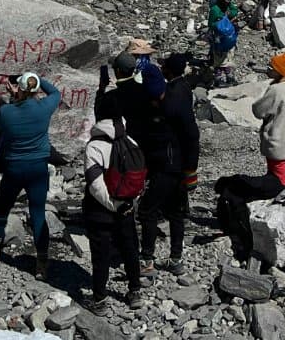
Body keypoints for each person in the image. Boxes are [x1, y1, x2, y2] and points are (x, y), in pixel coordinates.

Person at [0, 71, 61, 277]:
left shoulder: (5, 111)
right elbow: (55, 92)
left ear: (19, 88)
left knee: (2, 209)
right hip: (38, 167)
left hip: (14, 168)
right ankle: (41, 262)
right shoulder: (44, 108)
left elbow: (7, 122)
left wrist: (15, 96)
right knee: (37, 213)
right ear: (35, 90)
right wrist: (36, 78)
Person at [138, 63, 195, 275]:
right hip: (177, 167)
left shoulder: (164, 107)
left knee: (147, 210)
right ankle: (175, 259)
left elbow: (192, 137)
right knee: (176, 212)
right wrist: (190, 170)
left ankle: (147, 260)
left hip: (167, 168)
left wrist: (191, 171)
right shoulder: (175, 98)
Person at [82, 111, 144, 309]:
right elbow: (138, 179)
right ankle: (135, 291)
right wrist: (128, 203)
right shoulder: (131, 142)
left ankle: (99, 299)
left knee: (100, 255)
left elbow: (95, 184)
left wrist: (112, 205)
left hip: (100, 212)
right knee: (130, 249)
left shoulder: (94, 146)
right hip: (126, 208)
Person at [252, 52, 285, 186]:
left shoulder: (276, 90)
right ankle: (275, 189)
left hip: (276, 137)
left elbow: (259, 110)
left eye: (271, 68)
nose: (268, 70)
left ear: (279, 71)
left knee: (277, 171)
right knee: (279, 167)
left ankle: (281, 191)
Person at [161, 53, 200, 196]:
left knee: (179, 174)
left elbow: (171, 114)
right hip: (190, 133)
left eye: (164, 67)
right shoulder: (184, 85)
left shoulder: (172, 90)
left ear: (169, 71)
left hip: (181, 137)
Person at [208, 0, 242, 87]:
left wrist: (229, 13)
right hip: (218, 37)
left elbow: (234, 10)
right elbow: (210, 24)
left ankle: (229, 76)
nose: (227, 3)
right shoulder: (214, 9)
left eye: (229, 1)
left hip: (228, 36)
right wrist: (219, 24)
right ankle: (218, 78)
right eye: (226, 1)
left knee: (228, 55)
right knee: (219, 57)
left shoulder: (228, 6)